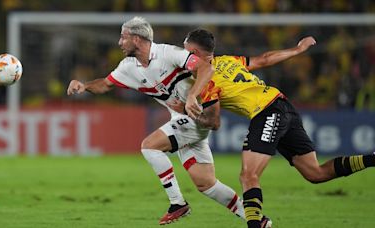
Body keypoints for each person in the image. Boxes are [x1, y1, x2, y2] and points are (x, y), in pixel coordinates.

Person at [169, 29, 375, 228]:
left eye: (185, 51)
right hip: (282, 104)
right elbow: (264, 59)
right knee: (315, 173)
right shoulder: (227, 61)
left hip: (267, 111)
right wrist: (297, 50)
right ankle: (372, 159)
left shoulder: (206, 81)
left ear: (193, 54)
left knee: (248, 176)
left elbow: (214, 122)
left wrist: (186, 111)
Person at [67, 17, 250, 226]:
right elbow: (105, 84)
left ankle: (177, 203)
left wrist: (192, 96)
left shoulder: (168, 53)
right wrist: (84, 86)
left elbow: (206, 69)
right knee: (207, 185)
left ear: (137, 39)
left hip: (196, 117)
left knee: (149, 146)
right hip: (182, 120)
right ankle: (257, 219)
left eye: (123, 37)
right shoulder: (128, 67)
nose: (119, 42)